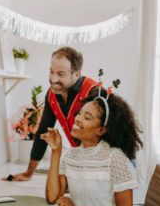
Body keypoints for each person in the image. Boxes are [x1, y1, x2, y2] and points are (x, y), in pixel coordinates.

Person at [7, 47, 98, 182]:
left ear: (77, 74)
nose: (53, 79)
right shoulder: (52, 95)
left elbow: (103, 139)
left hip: (103, 164)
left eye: (61, 74)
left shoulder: (93, 91)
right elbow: (43, 132)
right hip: (84, 162)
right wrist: (28, 173)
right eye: (51, 72)